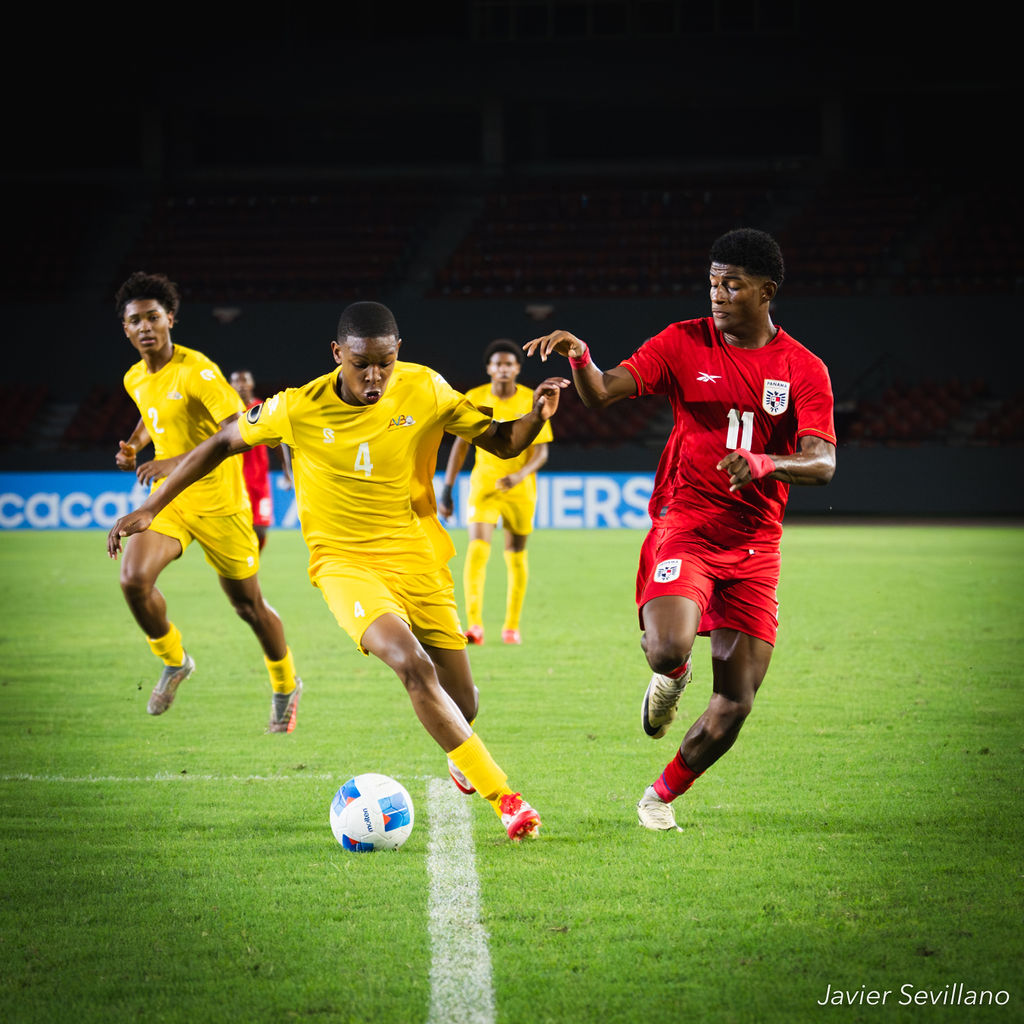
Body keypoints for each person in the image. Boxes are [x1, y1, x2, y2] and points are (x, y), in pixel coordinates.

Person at [108, 301, 568, 842]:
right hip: (344, 563)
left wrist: (536, 415)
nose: (374, 376)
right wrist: (152, 506)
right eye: (360, 364)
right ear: (337, 354)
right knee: (410, 663)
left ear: (399, 354)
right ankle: (506, 799)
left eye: (385, 363)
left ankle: (459, 750)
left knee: (464, 704)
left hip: (415, 555)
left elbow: (501, 440)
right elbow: (218, 443)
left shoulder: (426, 387)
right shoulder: (297, 407)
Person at [525, 228, 836, 832]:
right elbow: (604, 393)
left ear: (767, 291)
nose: (717, 294)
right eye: (713, 282)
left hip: (755, 545)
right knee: (667, 648)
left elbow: (823, 463)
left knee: (735, 704)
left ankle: (657, 797)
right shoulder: (682, 341)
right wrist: (581, 359)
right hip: (687, 523)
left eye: (733, 284)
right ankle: (670, 677)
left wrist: (768, 464)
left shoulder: (803, 369)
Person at [112, 272, 303, 733]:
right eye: (135, 320)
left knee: (248, 606)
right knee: (133, 580)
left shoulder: (197, 370)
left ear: (170, 318)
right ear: (125, 328)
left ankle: (285, 683)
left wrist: (169, 461)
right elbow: (150, 409)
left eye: (153, 317)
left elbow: (235, 430)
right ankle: (174, 660)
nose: (144, 327)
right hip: (172, 502)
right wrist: (137, 445)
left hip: (222, 504)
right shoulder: (135, 376)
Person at [438, 339, 553, 646]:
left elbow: (541, 453)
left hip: (520, 490)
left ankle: (511, 626)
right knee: (477, 550)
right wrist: (447, 489)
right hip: (484, 485)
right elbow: (460, 447)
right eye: (497, 364)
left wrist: (519, 474)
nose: (503, 368)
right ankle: (474, 625)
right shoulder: (474, 398)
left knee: (515, 555)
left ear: (517, 368)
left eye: (509, 364)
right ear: (489, 368)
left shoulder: (533, 399)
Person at [229, 369, 293, 551]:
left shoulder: (261, 409)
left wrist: (286, 471)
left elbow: (278, 442)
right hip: (234, 483)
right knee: (235, 531)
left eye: (244, 380)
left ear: (251, 384)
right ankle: (242, 567)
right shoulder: (226, 411)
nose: (241, 384)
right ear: (231, 385)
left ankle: (251, 562)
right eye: (236, 381)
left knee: (261, 529)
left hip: (258, 483)